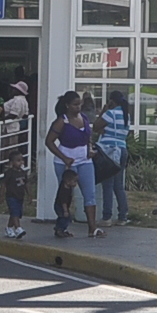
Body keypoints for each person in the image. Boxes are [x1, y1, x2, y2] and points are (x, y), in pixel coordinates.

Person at [44, 92, 100, 238]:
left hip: (85, 160)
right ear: (67, 105)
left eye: (79, 104)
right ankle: (61, 226)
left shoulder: (85, 118)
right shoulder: (62, 121)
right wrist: (64, 158)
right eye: (75, 105)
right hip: (66, 162)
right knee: (66, 195)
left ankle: (92, 228)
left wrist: (90, 149)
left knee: (90, 194)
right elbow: (49, 141)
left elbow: (88, 136)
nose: (78, 107)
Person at [97, 89, 131, 227]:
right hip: (122, 148)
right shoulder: (126, 115)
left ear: (111, 101)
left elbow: (96, 126)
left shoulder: (110, 113)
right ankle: (123, 216)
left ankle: (107, 217)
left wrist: (103, 111)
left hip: (109, 150)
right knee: (118, 185)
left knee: (107, 184)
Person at [2, 145, 30, 239]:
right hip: (11, 196)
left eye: (22, 160)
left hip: (20, 196)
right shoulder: (9, 173)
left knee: (16, 213)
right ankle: (18, 228)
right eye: (18, 160)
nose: (21, 162)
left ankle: (9, 228)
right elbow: (4, 184)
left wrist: (29, 195)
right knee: (15, 212)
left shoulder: (23, 172)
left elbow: (26, 184)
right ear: (11, 162)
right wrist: (1, 195)